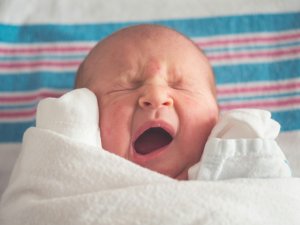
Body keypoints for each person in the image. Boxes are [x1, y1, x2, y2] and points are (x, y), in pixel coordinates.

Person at [75, 24, 291, 180]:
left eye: (180, 85)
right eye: (126, 87)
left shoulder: (250, 167)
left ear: (216, 117)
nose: (156, 97)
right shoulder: (70, 179)